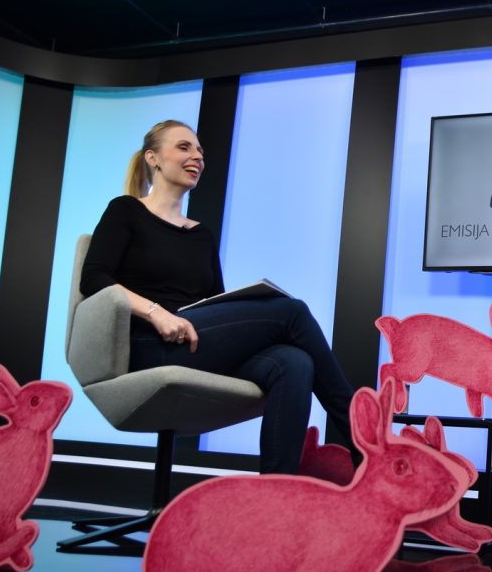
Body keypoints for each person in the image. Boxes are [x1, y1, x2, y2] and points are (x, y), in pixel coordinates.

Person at [81, 120, 358, 473]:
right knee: (291, 312)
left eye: (200, 151)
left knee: (295, 362)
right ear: (153, 158)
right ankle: (361, 435)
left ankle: (277, 493)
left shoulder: (202, 235)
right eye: (184, 147)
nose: (197, 156)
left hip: (194, 343)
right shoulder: (126, 211)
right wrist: (156, 312)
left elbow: (214, 302)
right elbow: (94, 278)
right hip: (148, 343)